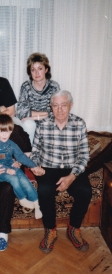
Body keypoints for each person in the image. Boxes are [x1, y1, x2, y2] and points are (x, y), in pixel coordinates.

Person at [0, 103, 44, 261]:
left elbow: (27, 150)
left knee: (8, 189)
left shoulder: (14, 130)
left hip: (10, 170)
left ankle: (3, 232)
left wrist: (19, 163)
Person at [30, 90, 92, 254]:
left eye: (63, 105)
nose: (59, 110)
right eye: (55, 106)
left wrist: (72, 176)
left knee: (85, 191)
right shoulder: (42, 124)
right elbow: (35, 152)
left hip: (72, 168)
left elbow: (85, 155)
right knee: (44, 191)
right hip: (48, 168)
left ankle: (74, 229)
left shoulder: (79, 124)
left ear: (70, 105)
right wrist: (35, 166)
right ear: (51, 107)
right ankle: (50, 230)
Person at [0, 113, 43, 219]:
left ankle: (37, 204)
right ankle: (22, 199)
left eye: (7, 131)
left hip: (10, 165)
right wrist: (7, 170)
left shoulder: (11, 143)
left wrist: (33, 166)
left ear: (11, 131)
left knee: (24, 179)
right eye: (1, 131)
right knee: (14, 179)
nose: (4, 135)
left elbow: (20, 156)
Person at [16, 52, 60, 143]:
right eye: (33, 70)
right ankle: (30, 154)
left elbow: (57, 112)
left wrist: (34, 117)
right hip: (31, 123)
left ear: (46, 69)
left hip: (47, 121)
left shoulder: (54, 86)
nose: (36, 73)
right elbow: (21, 112)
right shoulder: (26, 86)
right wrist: (45, 114)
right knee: (28, 124)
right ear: (30, 72)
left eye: (40, 69)